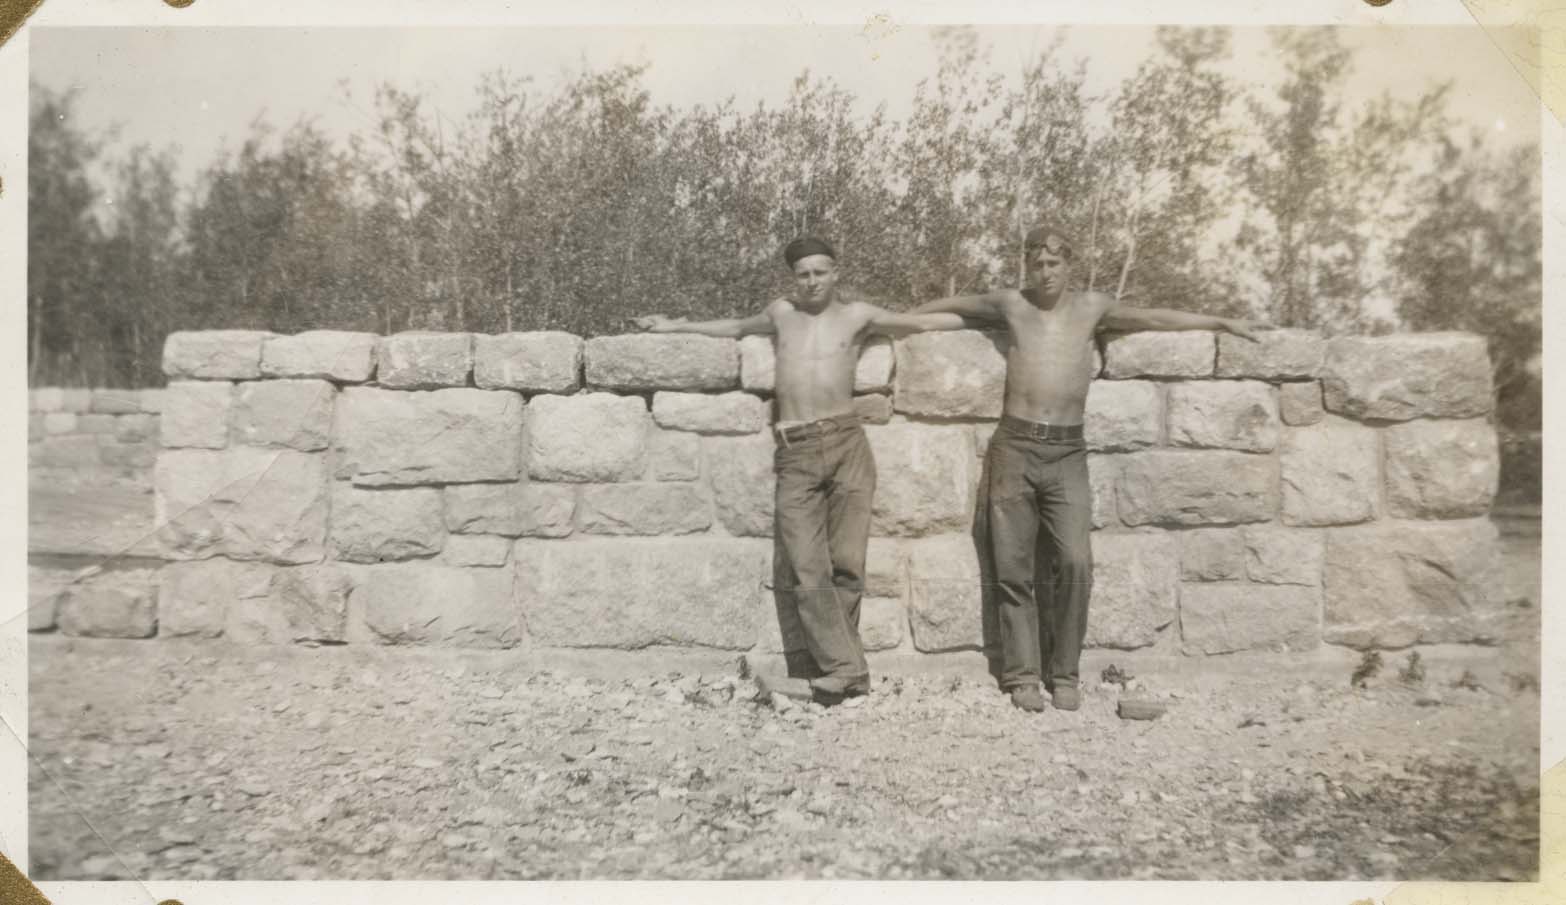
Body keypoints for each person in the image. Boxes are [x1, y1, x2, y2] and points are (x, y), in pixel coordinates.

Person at [913, 225, 1267, 713]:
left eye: (1054, 263)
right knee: (1013, 565)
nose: (1045, 271)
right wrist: (896, 319)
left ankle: (1065, 673)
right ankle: (1022, 677)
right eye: (1037, 263)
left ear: (1069, 265)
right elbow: (953, 304)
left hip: (1067, 452)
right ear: (1027, 265)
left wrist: (1220, 321)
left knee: (1076, 560)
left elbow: (1153, 317)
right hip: (1014, 446)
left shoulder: (1092, 308)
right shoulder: (1012, 304)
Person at [635, 237, 968, 704]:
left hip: (848, 442)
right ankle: (848, 671)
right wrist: (672, 327)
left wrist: (992, 312)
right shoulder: (780, 314)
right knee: (806, 562)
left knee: (847, 563)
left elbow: (925, 321)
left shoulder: (858, 316)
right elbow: (733, 326)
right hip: (795, 449)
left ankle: (833, 674)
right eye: (803, 274)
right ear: (795, 278)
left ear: (836, 273)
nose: (811, 281)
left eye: (820, 272)